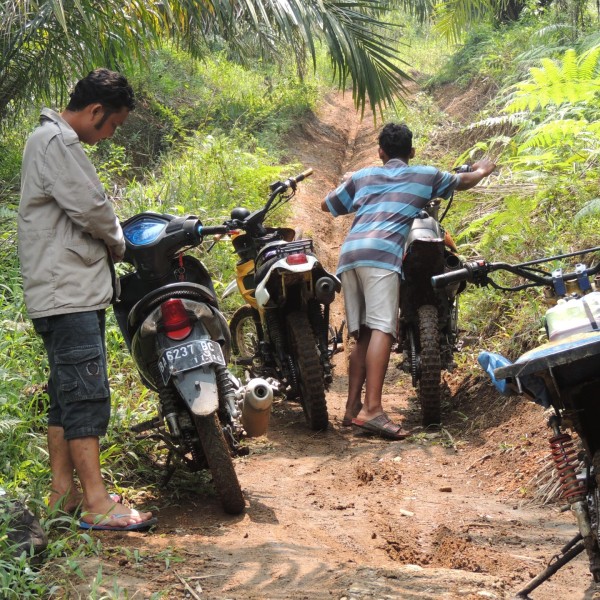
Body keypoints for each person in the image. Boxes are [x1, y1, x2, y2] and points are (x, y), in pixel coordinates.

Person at [18, 68, 156, 530]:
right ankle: (97, 504)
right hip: (69, 294)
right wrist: (120, 243)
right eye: (112, 124)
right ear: (95, 111)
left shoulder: (49, 139)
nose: (110, 134)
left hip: (63, 292)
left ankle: (64, 494)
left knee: (65, 395)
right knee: (85, 397)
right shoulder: (58, 142)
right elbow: (92, 207)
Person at [321, 122, 495, 440]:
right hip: (382, 256)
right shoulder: (425, 175)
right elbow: (463, 181)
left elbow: (327, 205)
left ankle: (351, 409)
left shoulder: (363, 176)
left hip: (351, 256)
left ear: (380, 152)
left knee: (363, 335)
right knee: (385, 330)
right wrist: (482, 170)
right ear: (412, 152)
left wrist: (349, 184)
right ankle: (373, 411)